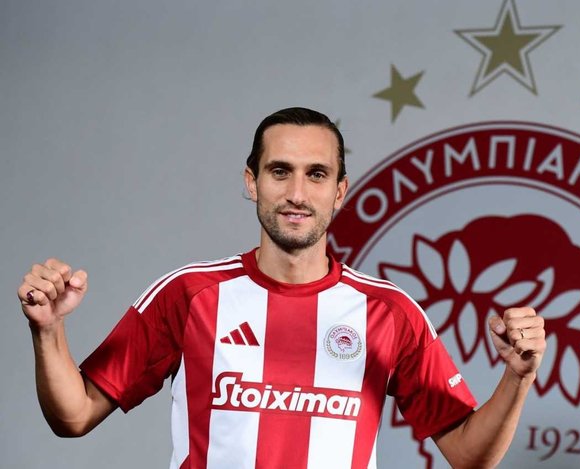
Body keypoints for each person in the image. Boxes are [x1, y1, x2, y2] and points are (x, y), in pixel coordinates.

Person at [17, 107, 546, 469]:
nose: (297, 193)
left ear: (340, 191)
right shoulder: (189, 295)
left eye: (316, 174)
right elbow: (74, 415)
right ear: (252, 182)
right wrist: (49, 330)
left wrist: (518, 377)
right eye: (279, 171)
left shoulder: (390, 312)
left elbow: (469, 456)